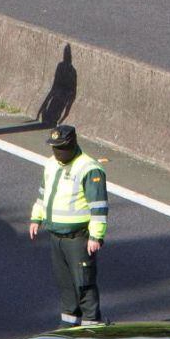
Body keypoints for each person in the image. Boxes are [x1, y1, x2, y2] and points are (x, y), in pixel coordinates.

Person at [29, 125, 108, 327]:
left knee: (84, 283)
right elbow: (43, 193)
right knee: (66, 285)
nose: (57, 153)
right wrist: (36, 218)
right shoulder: (51, 164)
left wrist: (95, 236)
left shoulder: (89, 169)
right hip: (56, 235)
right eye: (54, 148)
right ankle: (69, 327)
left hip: (78, 237)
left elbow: (98, 206)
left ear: (72, 144)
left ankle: (92, 327)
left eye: (61, 148)